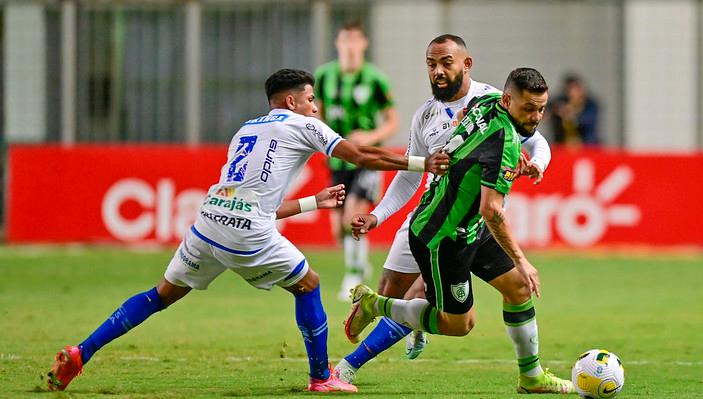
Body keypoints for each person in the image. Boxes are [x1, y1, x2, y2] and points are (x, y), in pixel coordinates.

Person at [44, 68, 449, 393]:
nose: (316, 106)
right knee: (308, 283)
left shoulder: (247, 129)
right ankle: (322, 377)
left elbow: (258, 201)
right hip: (246, 232)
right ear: (292, 101)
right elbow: (360, 154)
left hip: (208, 224)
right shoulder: (305, 125)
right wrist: (421, 163)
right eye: (310, 99)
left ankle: (81, 352)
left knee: (160, 295)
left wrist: (312, 202)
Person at [332, 35, 552, 384]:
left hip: (471, 223)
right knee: (393, 289)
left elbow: (535, 138)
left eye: (445, 63)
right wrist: (378, 215)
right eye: (431, 64)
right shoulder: (425, 116)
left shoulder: (492, 99)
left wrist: (538, 162)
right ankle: (386, 318)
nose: (437, 71)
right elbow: (408, 178)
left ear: (466, 64)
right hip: (436, 218)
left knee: (493, 293)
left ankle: (532, 377)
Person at [314, 23, 399, 300]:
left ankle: (352, 276)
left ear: (363, 44)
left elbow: (392, 121)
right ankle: (360, 263)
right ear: (338, 43)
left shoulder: (375, 79)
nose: (350, 46)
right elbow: (317, 114)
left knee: (353, 213)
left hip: (368, 158)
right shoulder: (324, 76)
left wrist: (369, 136)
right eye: (344, 40)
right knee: (338, 226)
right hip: (338, 159)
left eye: (355, 40)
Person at [550, 73, 600, 147]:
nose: (572, 93)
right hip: (562, 145)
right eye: (569, 90)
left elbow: (588, 121)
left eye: (576, 89)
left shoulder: (591, 104)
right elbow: (548, 109)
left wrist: (573, 115)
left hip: (587, 145)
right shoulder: (561, 101)